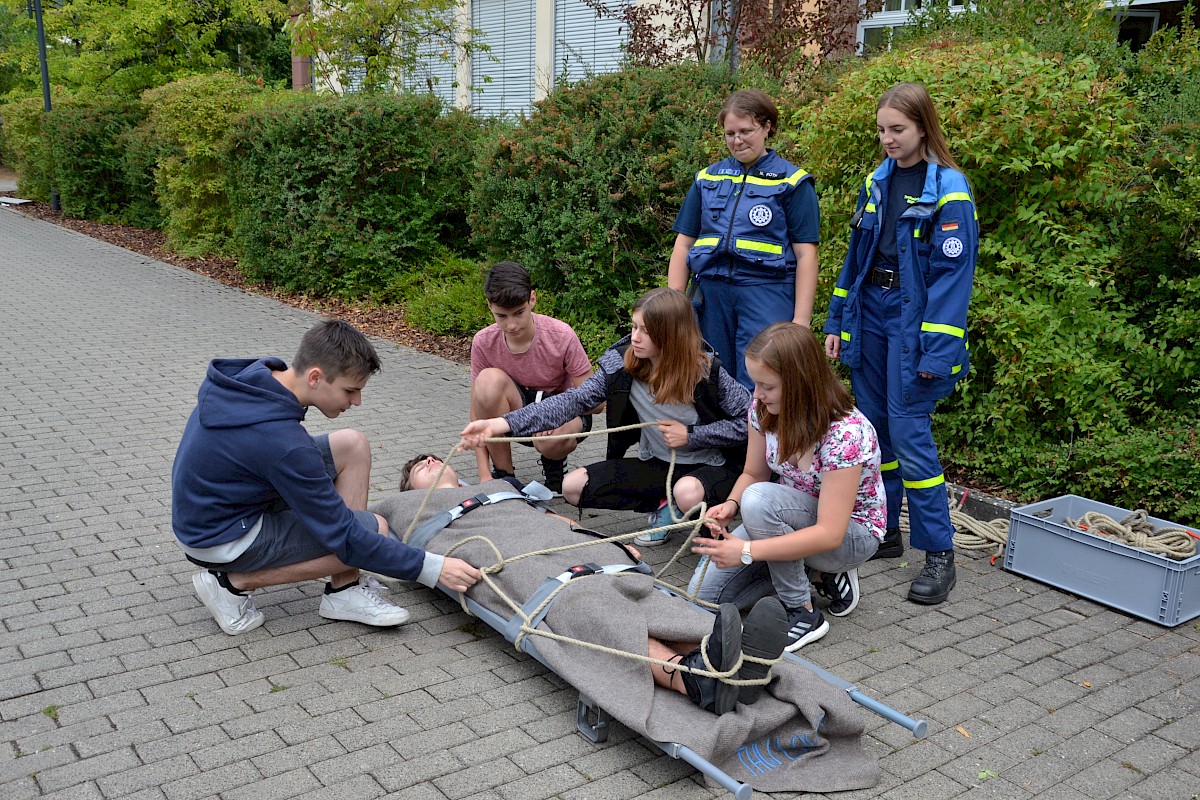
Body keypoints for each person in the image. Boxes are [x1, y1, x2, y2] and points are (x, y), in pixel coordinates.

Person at [393, 453, 790, 715]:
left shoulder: (499, 487)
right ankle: (693, 681)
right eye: (419, 468)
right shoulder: (409, 514)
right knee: (586, 602)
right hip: (514, 560)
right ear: (411, 493)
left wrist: (614, 545)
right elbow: (368, 533)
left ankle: (735, 661)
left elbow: (557, 520)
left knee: (642, 595)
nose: (430, 459)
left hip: (563, 547)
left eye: (433, 456)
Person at [170, 319, 482, 636]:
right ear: (316, 377)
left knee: (352, 445)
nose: (356, 401)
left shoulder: (254, 379)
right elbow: (343, 535)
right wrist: (434, 568)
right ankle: (230, 584)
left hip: (213, 509)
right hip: (220, 536)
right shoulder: (283, 443)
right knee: (375, 529)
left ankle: (344, 590)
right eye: (351, 390)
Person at [823, 83, 978, 605]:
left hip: (913, 328)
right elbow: (856, 259)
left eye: (898, 130)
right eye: (882, 130)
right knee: (874, 435)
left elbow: (952, 284)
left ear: (923, 128)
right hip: (870, 314)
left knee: (911, 440)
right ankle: (884, 531)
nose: (888, 139)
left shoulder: (949, 189)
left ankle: (939, 553)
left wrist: (938, 353)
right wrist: (837, 321)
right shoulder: (878, 181)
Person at [460, 287, 750, 548]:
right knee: (573, 487)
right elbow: (574, 400)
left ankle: (688, 508)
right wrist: (501, 424)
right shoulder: (621, 365)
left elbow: (749, 424)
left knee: (687, 492)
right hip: (659, 465)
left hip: (712, 467)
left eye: (646, 331)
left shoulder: (708, 373)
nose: (634, 337)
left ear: (671, 335)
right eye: (634, 326)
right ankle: (665, 504)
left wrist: (692, 435)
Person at [690, 323, 884, 652]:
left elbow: (829, 533)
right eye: (755, 383)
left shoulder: (846, 433)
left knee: (760, 501)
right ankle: (806, 570)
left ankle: (803, 611)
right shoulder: (764, 410)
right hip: (782, 519)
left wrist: (747, 552)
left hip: (850, 534)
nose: (756, 395)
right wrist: (731, 505)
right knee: (701, 599)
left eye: (767, 385)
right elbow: (753, 472)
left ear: (799, 383)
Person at [667, 89, 820, 389]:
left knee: (761, 381)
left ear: (767, 127)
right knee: (709, 379)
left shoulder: (793, 183)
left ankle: (757, 438)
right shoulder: (707, 179)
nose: (738, 140)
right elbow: (684, 244)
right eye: (730, 133)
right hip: (711, 296)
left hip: (767, 293)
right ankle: (720, 437)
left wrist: (801, 320)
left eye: (746, 131)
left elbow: (806, 256)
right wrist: (674, 305)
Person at [470, 261, 595, 492]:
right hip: (517, 414)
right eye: (502, 316)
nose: (511, 325)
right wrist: (484, 475)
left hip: (564, 415)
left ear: (532, 299)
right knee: (486, 382)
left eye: (519, 313)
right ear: (489, 306)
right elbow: (477, 413)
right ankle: (505, 478)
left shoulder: (561, 334)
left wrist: (553, 415)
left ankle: (555, 469)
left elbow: (596, 402)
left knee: (550, 441)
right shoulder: (483, 341)